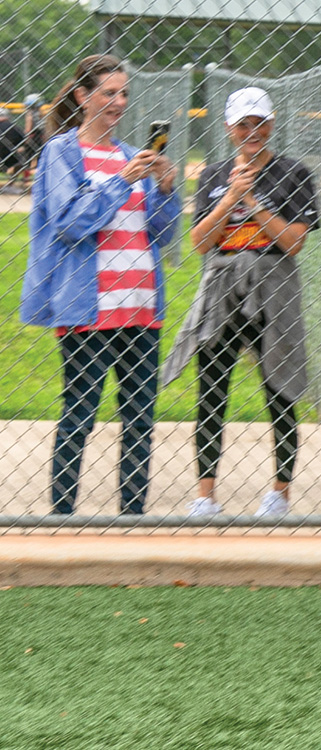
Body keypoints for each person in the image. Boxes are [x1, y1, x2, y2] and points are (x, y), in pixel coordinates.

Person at [20, 53, 180, 514]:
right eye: (109, 93)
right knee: (80, 413)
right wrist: (118, 183)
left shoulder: (133, 155)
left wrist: (166, 189)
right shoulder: (61, 152)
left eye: (124, 93)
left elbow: (162, 233)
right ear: (82, 97)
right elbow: (70, 221)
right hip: (88, 309)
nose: (119, 101)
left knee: (139, 419)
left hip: (140, 306)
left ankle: (133, 515)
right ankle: (62, 515)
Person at [162, 87, 319, 517]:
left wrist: (252, 204)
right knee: (211, 390)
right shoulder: (213, 176)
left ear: (271, 125)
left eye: (260, 124)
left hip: (273, 287)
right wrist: (230, 198)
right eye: (244, 125)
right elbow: (199, 242)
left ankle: (279, 493)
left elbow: (293, 242)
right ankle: (205, 495)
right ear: (229, 130)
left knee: (280, 390)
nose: (253, 132)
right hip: (222, 289)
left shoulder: (293, 173)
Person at [0, 107, 27, 189]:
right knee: (22, 161)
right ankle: (11, 182)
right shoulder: (14, 126)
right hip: (11, 157)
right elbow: (24, 139)